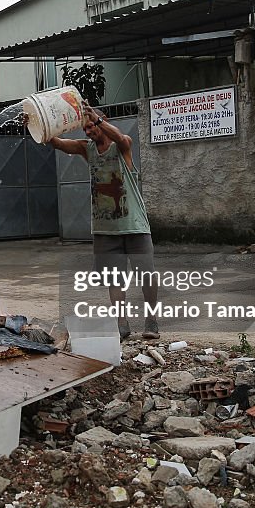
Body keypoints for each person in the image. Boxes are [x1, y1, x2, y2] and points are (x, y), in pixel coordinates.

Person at [48, 104, 160, 340]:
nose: (88, 132)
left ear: (102, 121)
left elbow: (119, 137)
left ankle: (151, 321)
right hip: (104, 230)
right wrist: (39, 125)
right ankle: (122, 324)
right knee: (114, 280)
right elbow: (56, 143)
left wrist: (96, 120)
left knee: (147, 276)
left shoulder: (122, 146)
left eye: (91, 127)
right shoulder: (86, 149)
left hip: (134, 226)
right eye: (85, 129)